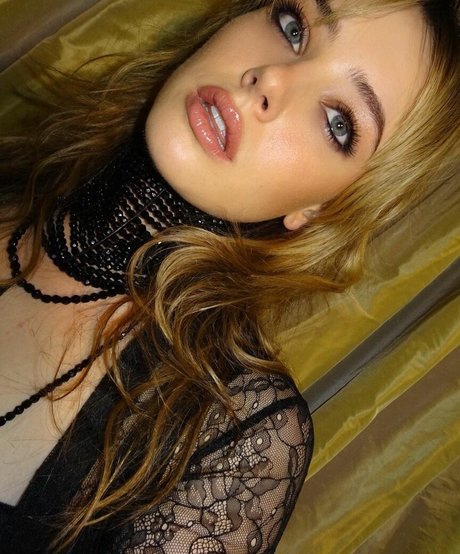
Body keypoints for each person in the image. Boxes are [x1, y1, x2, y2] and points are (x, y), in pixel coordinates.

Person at [0, 0, 458, 552]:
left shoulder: (235, 436)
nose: (272, 78)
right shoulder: (14, 179)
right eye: (293, 27)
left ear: (320, 209)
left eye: (338, 123)